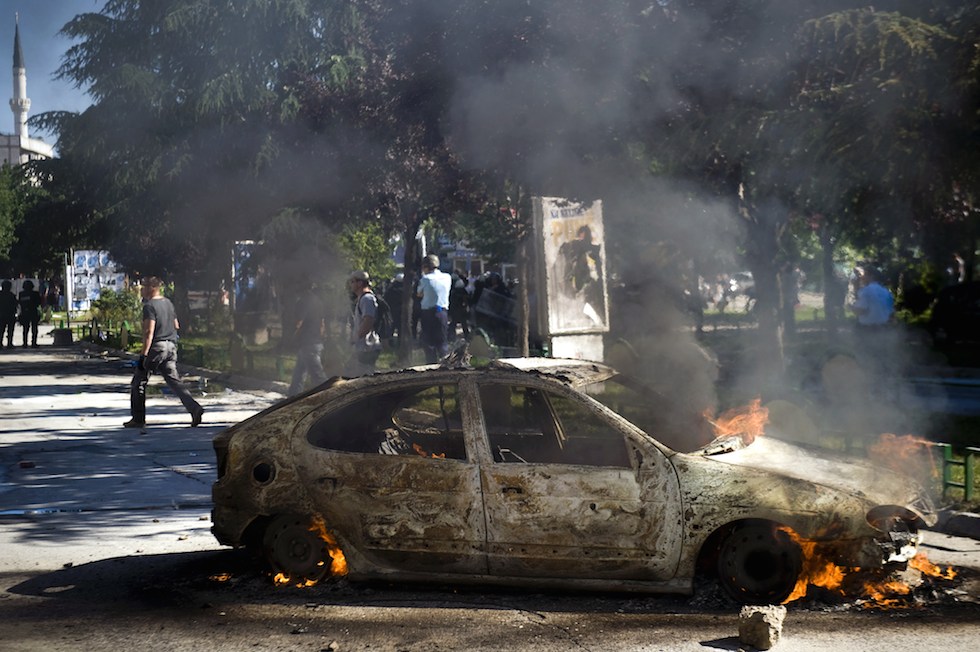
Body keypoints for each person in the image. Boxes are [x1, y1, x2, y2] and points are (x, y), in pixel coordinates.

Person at [125, 277, 204, 428]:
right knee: (174, 382)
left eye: (144, 286)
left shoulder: (149, 306)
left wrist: (143, 355)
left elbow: (149, 331)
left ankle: (138, 419)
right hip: (171, 346)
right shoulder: (168, 303)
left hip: (156, 347)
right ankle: (194, 408)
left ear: (152, 288)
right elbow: (176, 325)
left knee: (139, 382)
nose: (141, 289)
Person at [288, 281, 327, 395]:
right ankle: (292, 399)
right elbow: (322, 324)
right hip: (315, 343)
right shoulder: (318, 301)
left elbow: (298, 323)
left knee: (318, 377)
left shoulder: (302, 302)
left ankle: (332, 397)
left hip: (308, 343)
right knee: (298, 375)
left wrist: (292, 337)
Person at [346, 270, 382, 376]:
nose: (350, 285)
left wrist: (356, 338)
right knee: (360, 375)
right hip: (364, 346)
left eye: (352, 282)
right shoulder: (362, 298)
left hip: (368, 347)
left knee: (362, 377)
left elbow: (368, 321)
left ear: (360, 283)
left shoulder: (367, 299)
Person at [417, 254, 451, 363]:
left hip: (428, 313)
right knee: (442, 342)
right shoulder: (447, 277)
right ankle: (445, 366)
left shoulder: (425, 279)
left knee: (429, 344)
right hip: (443, 313)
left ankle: (431, 367)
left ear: (426, 267)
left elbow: (419, 293)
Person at [16, 280, 41, 348]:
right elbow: (39, 303)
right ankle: (33, 343)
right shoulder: (35, 294)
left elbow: (20, 303)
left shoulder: (21, 294)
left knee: (25, 329)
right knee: (34, 329)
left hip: (25, 313)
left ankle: (25, 343)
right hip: (33, 312)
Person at [447, 270, 471, 340]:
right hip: (460, 310)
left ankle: (451, 336)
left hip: (456, 310)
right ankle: (466, 336)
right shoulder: (462, 292)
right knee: (462, 323)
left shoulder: (453, 292)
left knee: (455, 323)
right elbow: (466, 300)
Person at [0, 280, 18, 348]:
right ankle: (9, 343)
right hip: (10, 314)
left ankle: (1, 343)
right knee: (10, 330)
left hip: (2, 315)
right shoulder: (11, 295)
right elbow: (15, 304)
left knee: (1, 330)